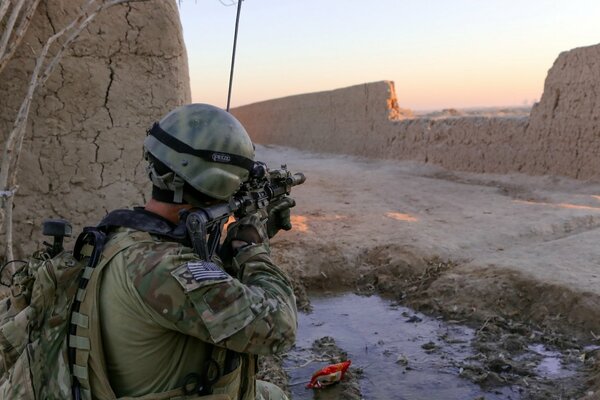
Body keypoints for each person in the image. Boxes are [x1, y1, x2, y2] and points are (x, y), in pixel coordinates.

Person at [71, 103, 297, 400]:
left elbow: (212, 290)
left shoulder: (125, 237)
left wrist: (232, 249)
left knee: (271, 394)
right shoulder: (163, 267)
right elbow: (280, 328)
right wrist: (252, 248)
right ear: (218, 182)